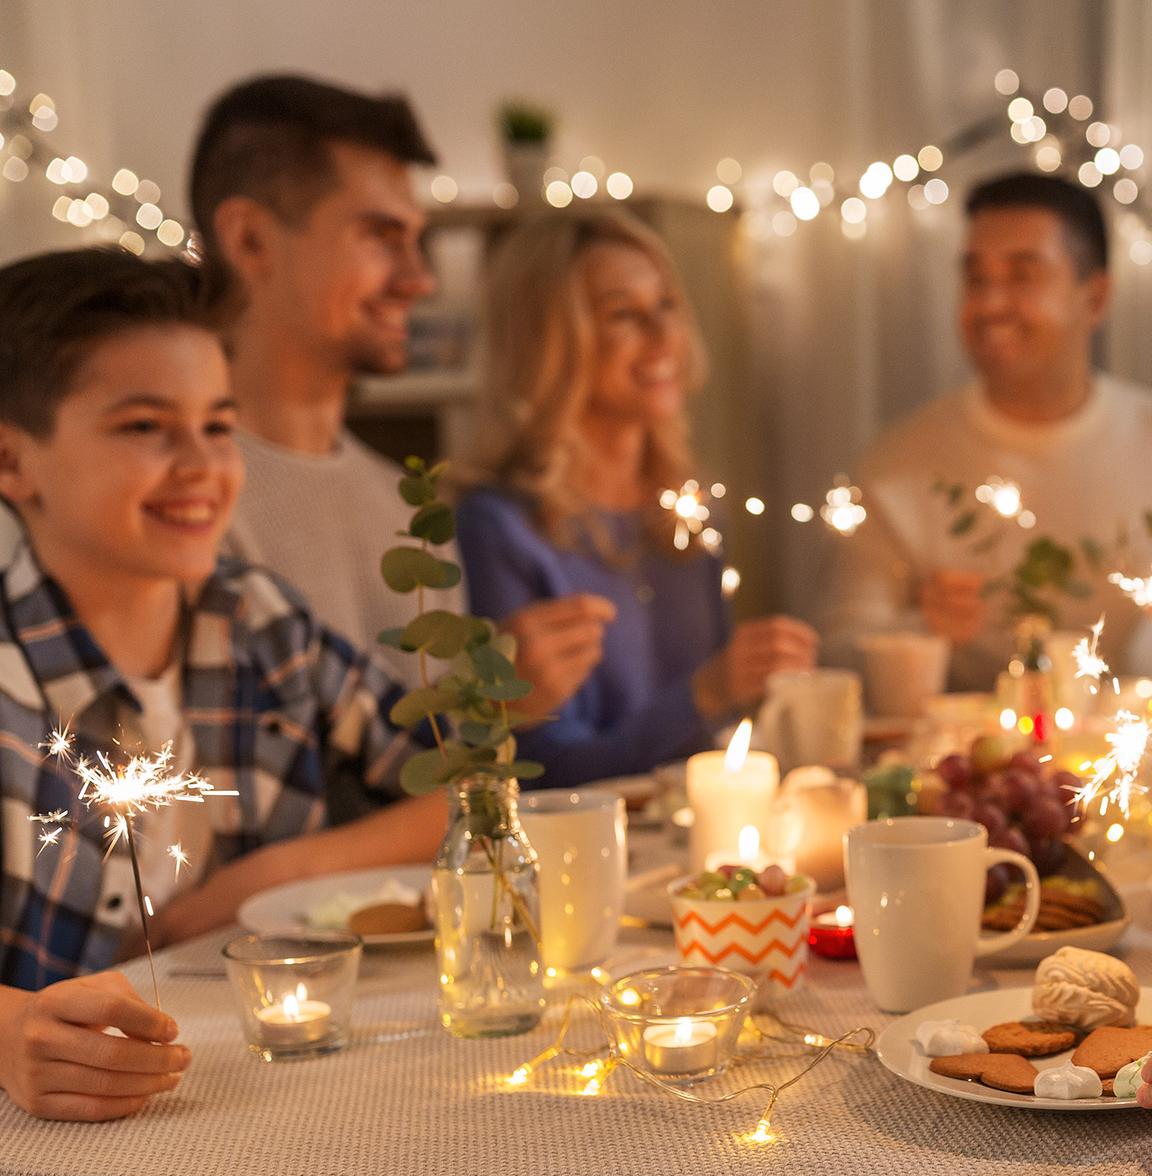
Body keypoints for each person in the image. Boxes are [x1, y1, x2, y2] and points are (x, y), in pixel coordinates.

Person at [0, 248, 447, 1121]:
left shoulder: (254, 621)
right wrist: (9, 1034)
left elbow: (457, 789)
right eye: (144, 427)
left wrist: (258, 884)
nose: (202, 466)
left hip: (272, 1102)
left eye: (216, 425)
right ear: (13, 464)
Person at [188, 74, 612, 728]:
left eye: (415, 239)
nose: (420, 280)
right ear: (249, 241)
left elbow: (429, 781)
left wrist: (487, 705)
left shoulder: (404, 507)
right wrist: (488, 703)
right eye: (381, 236)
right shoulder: (185, 503)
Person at [455, 210, 818, 786]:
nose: (663, 335)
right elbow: (543, 775)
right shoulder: (499, 528)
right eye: (624, 314)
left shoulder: (690, 512)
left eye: (667, 305)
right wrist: (710, 690)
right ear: (549, 341)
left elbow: (711, 741)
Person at [825, 172, 1152, 690]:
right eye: (976, 279)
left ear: (1095, 298)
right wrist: (921, 630)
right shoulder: (900, 462)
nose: (991, 304)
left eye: (1023, 275)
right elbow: (839, 660)